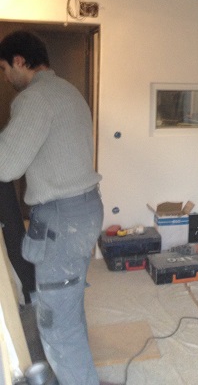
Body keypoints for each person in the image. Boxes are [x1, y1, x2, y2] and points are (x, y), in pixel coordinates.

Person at [0, 30, 111, 385]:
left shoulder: (35, 99)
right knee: (69, 305)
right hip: (85, 209)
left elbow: (6, 166)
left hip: (62, 219)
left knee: (56, 325)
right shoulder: (68, 91)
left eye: (4, 68)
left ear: (19, 61)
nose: (6, 77)